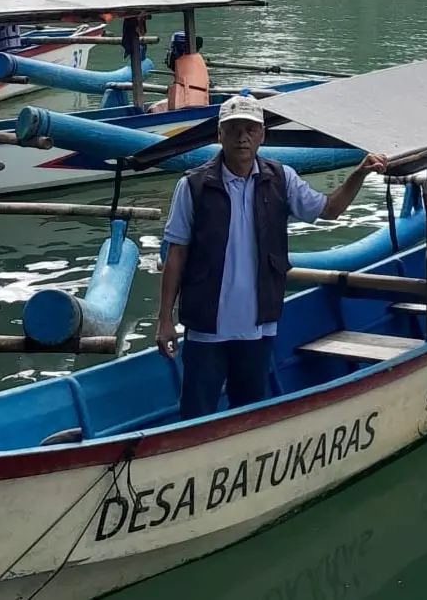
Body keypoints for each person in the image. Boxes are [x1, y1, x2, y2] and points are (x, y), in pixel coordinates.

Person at [155, 94, 388, 420]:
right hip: (207, 327)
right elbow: (176, 253)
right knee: (196, 414)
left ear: (262, 135)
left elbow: (329, 209)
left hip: (258, 327)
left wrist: (360, 173)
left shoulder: (281, 179)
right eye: (233, 129)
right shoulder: (193, 186)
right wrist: (165, 319)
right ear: (219, 135)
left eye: (250, 129)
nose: (242, 137)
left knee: (249, 414)